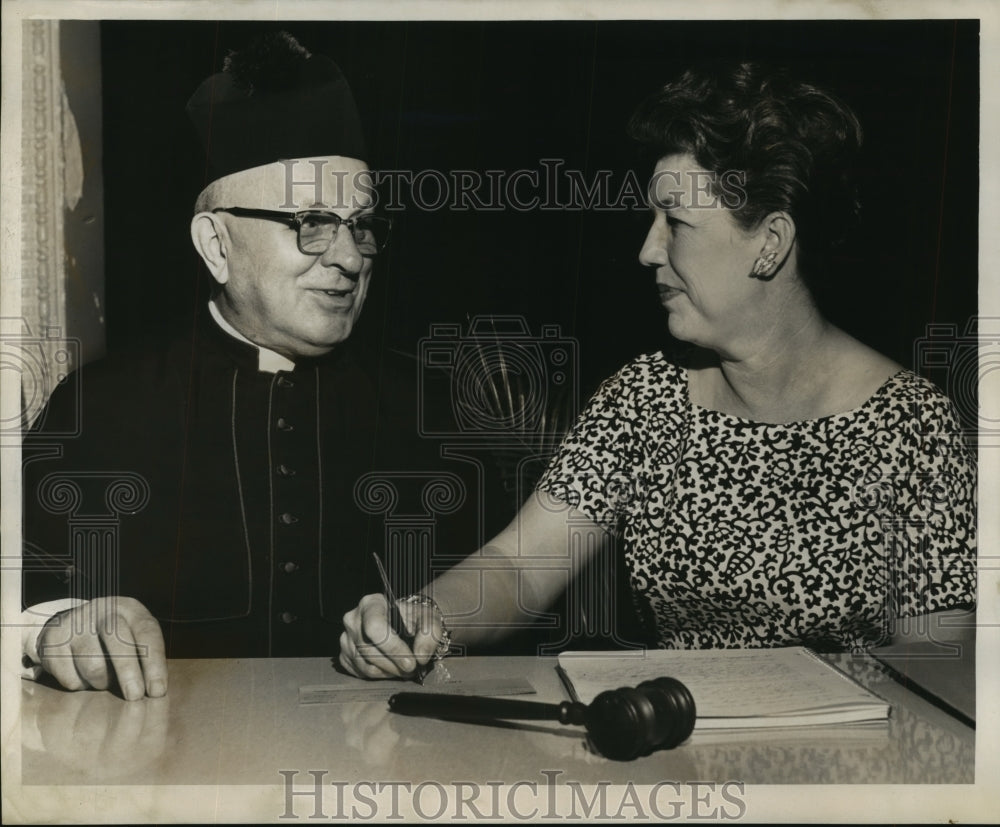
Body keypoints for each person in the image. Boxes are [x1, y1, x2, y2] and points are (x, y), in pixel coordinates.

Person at [339, 62, 977, 679]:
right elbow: (521, 565)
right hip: (678, 765)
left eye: (676, 223)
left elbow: (936, 659)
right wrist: (422, 619)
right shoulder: (647, 396)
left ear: (770, 243)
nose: (648, 249)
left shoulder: (912, 427)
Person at [21, 32, 399, 698]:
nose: (349, 257)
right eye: (312, 221)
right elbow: (21, 588)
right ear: (216, 245)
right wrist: (57, 626)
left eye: (362, 224)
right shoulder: (100, 409)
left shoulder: (414, 404)